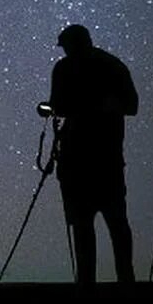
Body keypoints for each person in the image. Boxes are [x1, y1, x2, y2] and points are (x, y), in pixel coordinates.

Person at [48, 24, 138, 284]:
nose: (65, 52)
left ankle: (94, 281)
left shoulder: (67, 68)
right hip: (94, 158)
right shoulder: (110, 65)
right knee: (106, 224)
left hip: (92, 159)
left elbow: (131, 105)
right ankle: (119, 279)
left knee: (97, 225)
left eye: (67, 47)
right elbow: (131, 105)